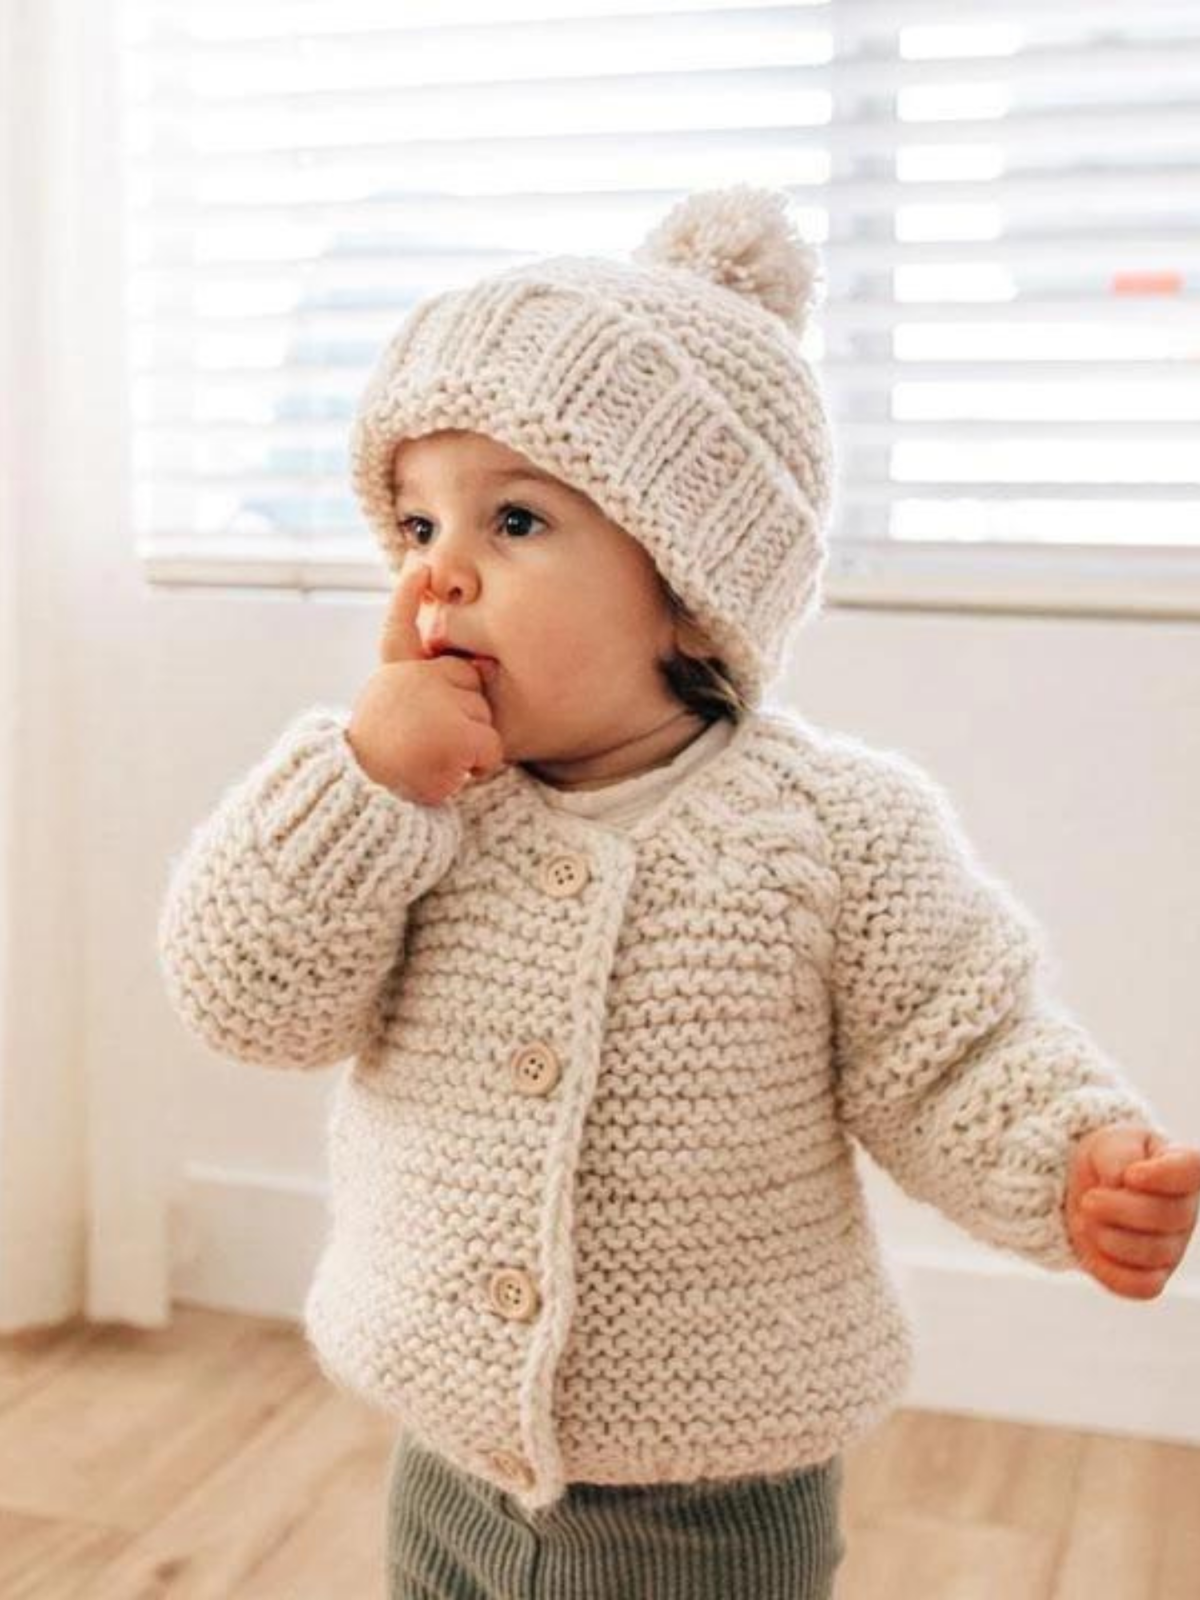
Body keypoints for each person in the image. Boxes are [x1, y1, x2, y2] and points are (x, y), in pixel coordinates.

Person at [157, 185, 1200, 1600]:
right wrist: (365, 784)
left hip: (713, 1505)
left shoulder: (831, 833)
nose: (438, 574)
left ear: (692, 592)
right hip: (448, 1465)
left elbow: (956, 1051)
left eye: (513, 519)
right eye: (411, 525)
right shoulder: (400, 802)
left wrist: (1066, 1163)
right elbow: (247, 998)